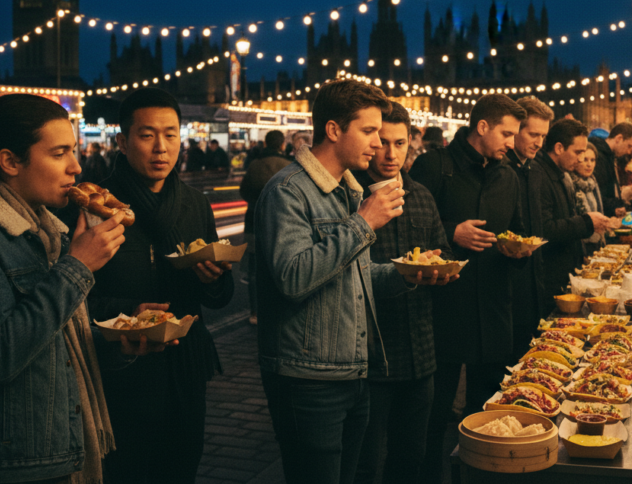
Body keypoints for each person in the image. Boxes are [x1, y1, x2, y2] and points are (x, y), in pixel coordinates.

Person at [0, 93, 148, 484]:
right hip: (8, 465)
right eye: (59, 153)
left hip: (58, 449)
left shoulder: (48, 230)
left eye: (73, 151)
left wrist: (118, 342)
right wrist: (77, 267)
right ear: (9, 161)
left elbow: (56, 344)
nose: (76, 166)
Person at [255, 79, 451, 484]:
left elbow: (353, 276)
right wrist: (364, 222)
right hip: (309, 377)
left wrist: (406, 272)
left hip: (353, 370)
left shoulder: (346, 189)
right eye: (368, 131)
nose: (378, 144)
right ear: (332, 130)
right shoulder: (288, 191)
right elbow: (293, 276)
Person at [81, 88, 235, 484]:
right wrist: (128, 313)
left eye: (170, 134)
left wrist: (215, 278)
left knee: (180, 470)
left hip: (184, 369)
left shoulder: (195, 203)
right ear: (122, 141)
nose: (161, 148)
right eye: (147, 135)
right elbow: (75, 296)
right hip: (121, 374)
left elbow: (219, 297)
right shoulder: (95, 205)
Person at [410, 94, 530, 484]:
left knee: (485, 414)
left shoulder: (508, 174)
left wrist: (519, 250)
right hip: (444, 308)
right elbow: (410, 233)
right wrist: (451, 233)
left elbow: (516, 228)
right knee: (432, 413)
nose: (512, 143)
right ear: (482, 127)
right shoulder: (435, 165)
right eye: (506, 133)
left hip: (494, 309)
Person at [352, 102, 455, 484]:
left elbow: (442, 250)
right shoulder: (351, 197)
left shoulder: (422, 196)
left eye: (400, 143)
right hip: (370, 357)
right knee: (364, 463)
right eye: (382, 143)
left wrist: (441, 269)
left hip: (421, 353)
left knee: (410, 458)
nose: (391, 154)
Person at [530, 119, 613, 311]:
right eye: (578, 152)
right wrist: (586, 222)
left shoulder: (562, 175)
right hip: (549, 278)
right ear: (559, 148)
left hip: (564, 273)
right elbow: (545, 229)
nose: (582, 159)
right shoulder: (540, 176)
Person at [503, 95, 554, 357]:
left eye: (543, 136)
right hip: (508, 291)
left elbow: (538, 231)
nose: (539, 142)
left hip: (533, 287)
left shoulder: (533, 170)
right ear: (515, 131)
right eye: (533, 134)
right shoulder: (501, 170)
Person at [239, 130, 291, 325]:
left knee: (254, 271)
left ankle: (255, 312)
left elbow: (243, 190)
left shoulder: (254, 165)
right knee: (280, 267)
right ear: (282, 145)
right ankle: (277, 310)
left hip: (254, 221)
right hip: (281, 224)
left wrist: (256, 203)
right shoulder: (288, 167)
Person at [588, 122, 632, 217]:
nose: (629, 151)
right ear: (619, 138)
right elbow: (599, 196)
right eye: (629, 146)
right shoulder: (599, 157)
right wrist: (617, 204)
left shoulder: (611, 156)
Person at [568, 143, 607, 255]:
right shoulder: (570, 183)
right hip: (579, 246)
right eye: (585, 160)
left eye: (592, 160)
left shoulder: (592, 183)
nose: (589, 164)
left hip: (596, 242)